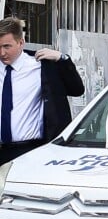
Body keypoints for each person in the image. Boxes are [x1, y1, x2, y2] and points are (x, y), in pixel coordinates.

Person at [0, 16, 84, 164]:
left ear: (21, 42)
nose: (2, 53)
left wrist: (63, 59)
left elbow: (76, 89)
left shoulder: (41, 65)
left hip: (29, 151)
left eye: (7, 46)